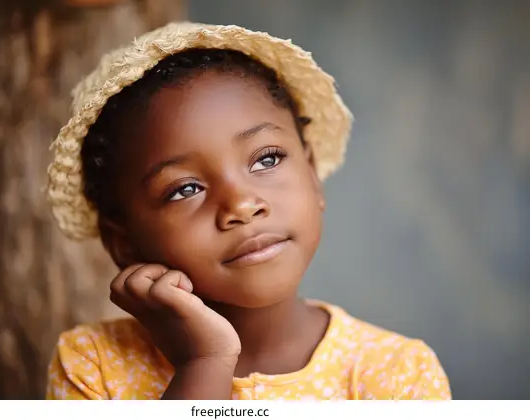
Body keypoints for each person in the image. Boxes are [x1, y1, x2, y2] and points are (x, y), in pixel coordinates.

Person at [44, 22, 451, 400]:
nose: (241, 205)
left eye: (267, 160)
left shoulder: (396, 374)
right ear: (124, 241)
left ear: (312, 173)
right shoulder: (94, 366)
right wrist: (205, 362)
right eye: (185, 188)